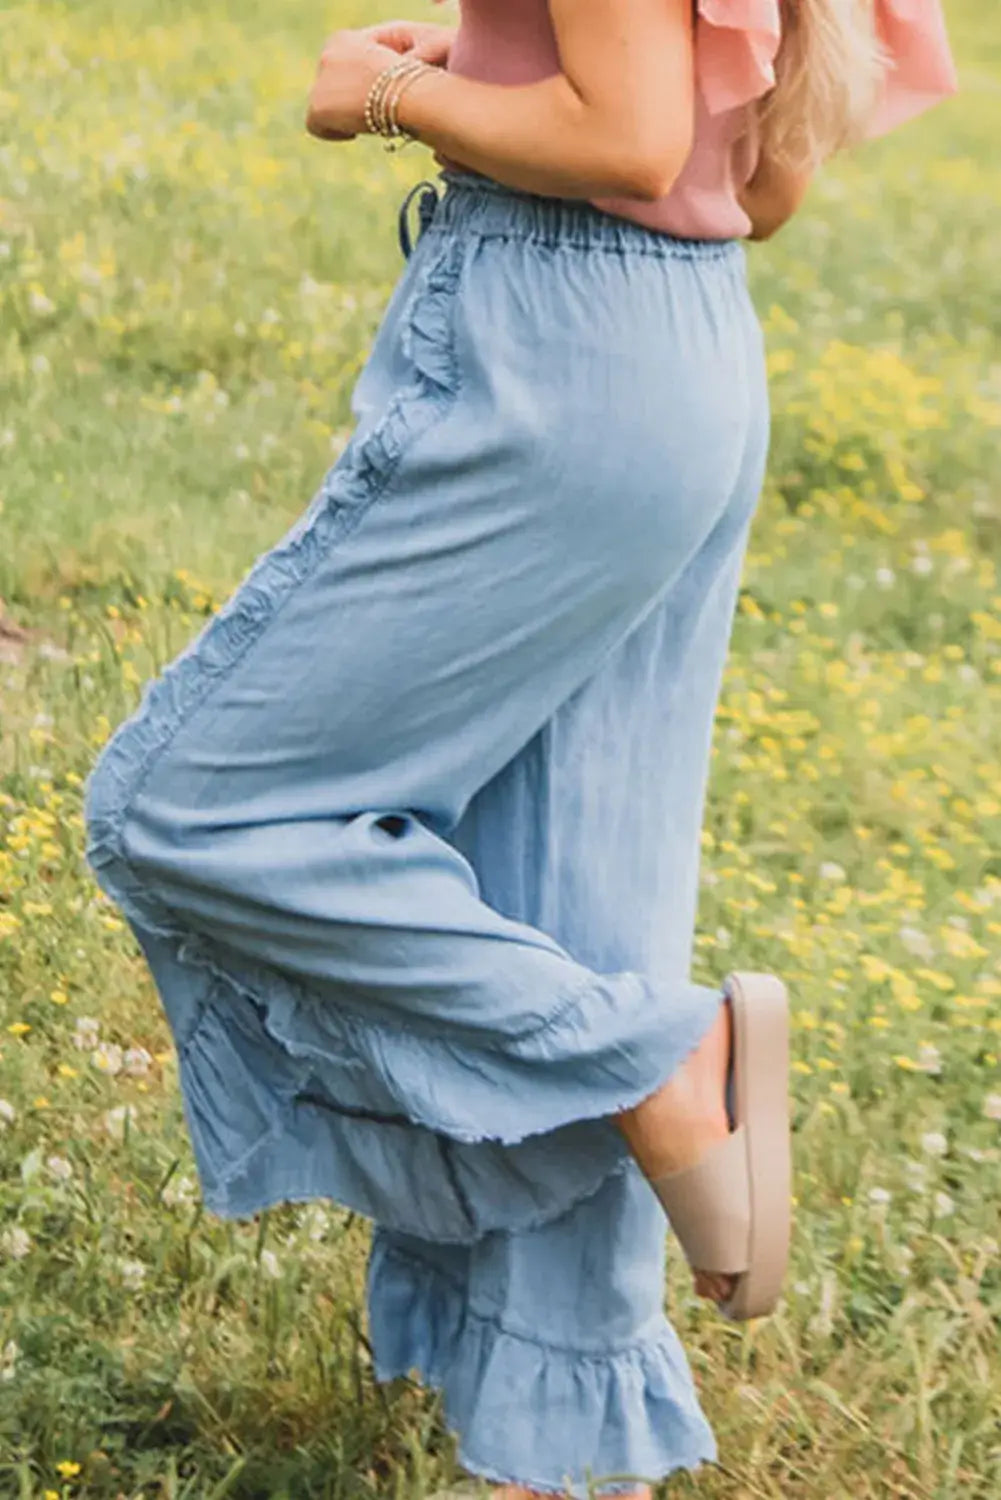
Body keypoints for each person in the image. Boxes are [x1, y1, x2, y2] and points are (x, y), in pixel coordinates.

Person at [83, 1, 957, 1495]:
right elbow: (759, 180)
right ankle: (563, 1446)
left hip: (553, 360)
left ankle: (654, 1056)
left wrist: (395, 90)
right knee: (576, 902)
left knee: (184, 807)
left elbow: (625, 137)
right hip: (684, 347)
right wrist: (502, 63)